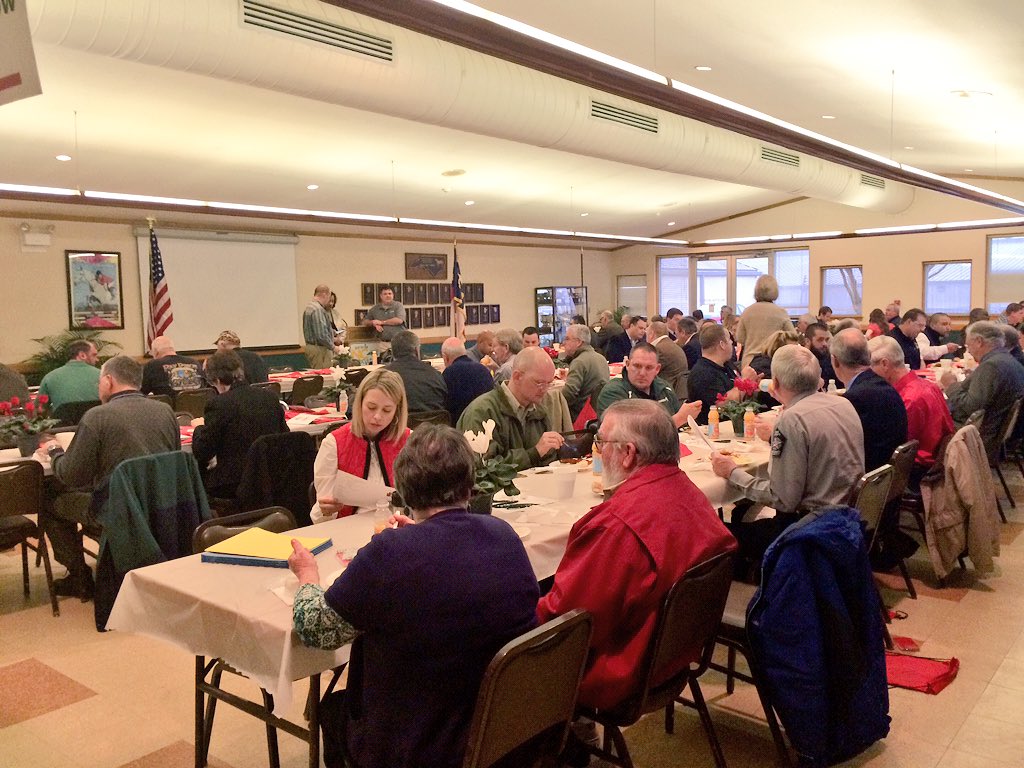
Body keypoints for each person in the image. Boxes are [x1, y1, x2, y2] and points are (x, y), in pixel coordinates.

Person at [288, 425, 539, 768]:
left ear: (403, 488)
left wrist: (307, 574)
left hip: (421, 741)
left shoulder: (390, 553)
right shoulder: (503, 535)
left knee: (331, 709)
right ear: (470, 483)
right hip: (506, 725)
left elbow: (316, 629)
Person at [538, 400, 736, 712]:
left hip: (623, 673)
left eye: (601, 442)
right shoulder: (693, 495)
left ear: (628, 454)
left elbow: (566, 624)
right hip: (673, 657)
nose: (597, 450)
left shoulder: (616, 527)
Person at [37, 355, 180, 598]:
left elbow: (71, 475)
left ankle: (79, 577)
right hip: (161, 503)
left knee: (50, 500)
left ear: (108, 381)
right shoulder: (166, 412)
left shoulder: (98, 417)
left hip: (116, 509)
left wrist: (54, 451)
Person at [712, 345, 863, 568]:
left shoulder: (792, 420)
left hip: (807, 529)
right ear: (818, 378)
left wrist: (733, 472)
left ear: (777, 383)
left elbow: (784, 499)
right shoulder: (844, 403)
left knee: (715, 533)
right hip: (845, 521)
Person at [310, 369, 410, 520]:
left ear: (397, 411)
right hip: (348, 529)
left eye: (387, 410)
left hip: (398, 528)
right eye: (371, 407)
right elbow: (320, 517)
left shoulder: (409, 441)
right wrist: (326, 510)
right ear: (359, 403)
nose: (377, 416)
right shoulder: (334, 444)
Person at [191, 350, 288, 499]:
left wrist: (199, 427)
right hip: (273, 477)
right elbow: (284, 436)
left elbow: (203, 451)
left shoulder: (219, 404)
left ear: (216, 380)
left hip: (234, 483)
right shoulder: (269, 397)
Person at [456, 346, 564, 470]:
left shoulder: (538, 411)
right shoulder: (482, 412)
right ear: (517, 376)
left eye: (549, 383)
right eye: (539, 383)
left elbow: (549, 462)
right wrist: (534, 453)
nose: (545, 390)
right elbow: (482, 468)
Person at [868, 336, 954, 486]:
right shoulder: (928, 385)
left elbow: (899, 449)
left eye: (869, 366)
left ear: (884, 364)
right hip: (937, 460)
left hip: (918, 470)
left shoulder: (907, 399)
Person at [941, 320, 1024, 456]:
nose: (969, 351)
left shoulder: (992, 365)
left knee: (930, 421)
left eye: (969, 346)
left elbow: (969, 407)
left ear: (979, 341)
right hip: (999, 432)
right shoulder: (1007, 360)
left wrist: (950, 385)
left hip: (983, 434)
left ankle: (930, 471)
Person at [830, 329, 908, 472]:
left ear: (835, 361)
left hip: (871, 481)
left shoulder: (855, 399)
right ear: (869, 356)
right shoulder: (885, 387)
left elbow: (839, 451)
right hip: (888, 476)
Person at [596, 343, 701, 428]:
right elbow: (629, 435)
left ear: (657, 369)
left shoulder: (665, 388)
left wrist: (687, 417)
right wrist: (679, 419)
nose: (642, 373)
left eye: (649, 368)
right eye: (637, 366)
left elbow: (681, 426)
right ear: (627, 364)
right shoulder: (612, 392)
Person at [686, 323, 758, 424]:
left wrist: (752, 383)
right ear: (722, 345)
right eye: (729, 339)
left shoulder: (727, 365)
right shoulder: (702, 373)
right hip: (713, 430)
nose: (732, 342)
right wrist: (745, 381)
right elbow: (723, 406)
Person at [735, 275, 794, 367]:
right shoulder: (780, 312)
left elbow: (740, 338)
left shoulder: (747, 311)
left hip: (749, 362)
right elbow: (792, 336)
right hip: (772, 360)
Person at [383, 330, 446, 414]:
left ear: (392, 352)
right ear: (417, 350)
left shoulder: (383, 377)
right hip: (435, 424)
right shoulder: (436, 375)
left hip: (399, 425)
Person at [559, 323, 609, 420]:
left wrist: (552, 402)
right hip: (598, 413)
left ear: (578, 342)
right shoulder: (601, 358)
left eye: (567, 339)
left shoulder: (579, 362)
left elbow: (568, 395)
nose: (564, 343)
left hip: (579, 416)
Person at [440, 337, 493, 424]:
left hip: (458, 428)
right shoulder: (484, 370)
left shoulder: (448, 375)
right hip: (485, 425)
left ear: (446, 358)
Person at [38, 340, 101, 412]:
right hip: (97, 421)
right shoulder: (103, 376)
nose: (97, 359)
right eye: (94, 355)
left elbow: (40, 409)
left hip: (64, 422)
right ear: (82, 355)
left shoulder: (49, 377)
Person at [645, 319, 688, 397]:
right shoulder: (670, 345)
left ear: (651, 334)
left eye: (646, 334)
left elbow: (646, 371)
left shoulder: (659, 349)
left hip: (665, 392)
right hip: (678, 389)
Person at [303, 284, 336, 368]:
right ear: (325, 295)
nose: (328, 301)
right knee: (324, 377)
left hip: (311, 347)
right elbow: (321, 335)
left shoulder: (309, 307)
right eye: (329, 298)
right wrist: (333, 347)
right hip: (320, 350)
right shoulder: (317, 309)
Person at [802, 322, 837, 388]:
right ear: (807, 341)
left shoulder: (830, 360)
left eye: (826, 340)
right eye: (820, 340)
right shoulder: (798, 362)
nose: (825, 344)